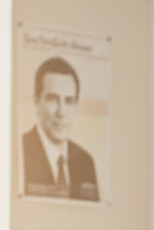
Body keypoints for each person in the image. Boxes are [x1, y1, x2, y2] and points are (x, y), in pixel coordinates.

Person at [22, 56, 99, 201]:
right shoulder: (20, 150)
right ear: (36, 102)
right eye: (52, 99)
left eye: (69, 101)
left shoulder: (86, 161)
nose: (62, 112)